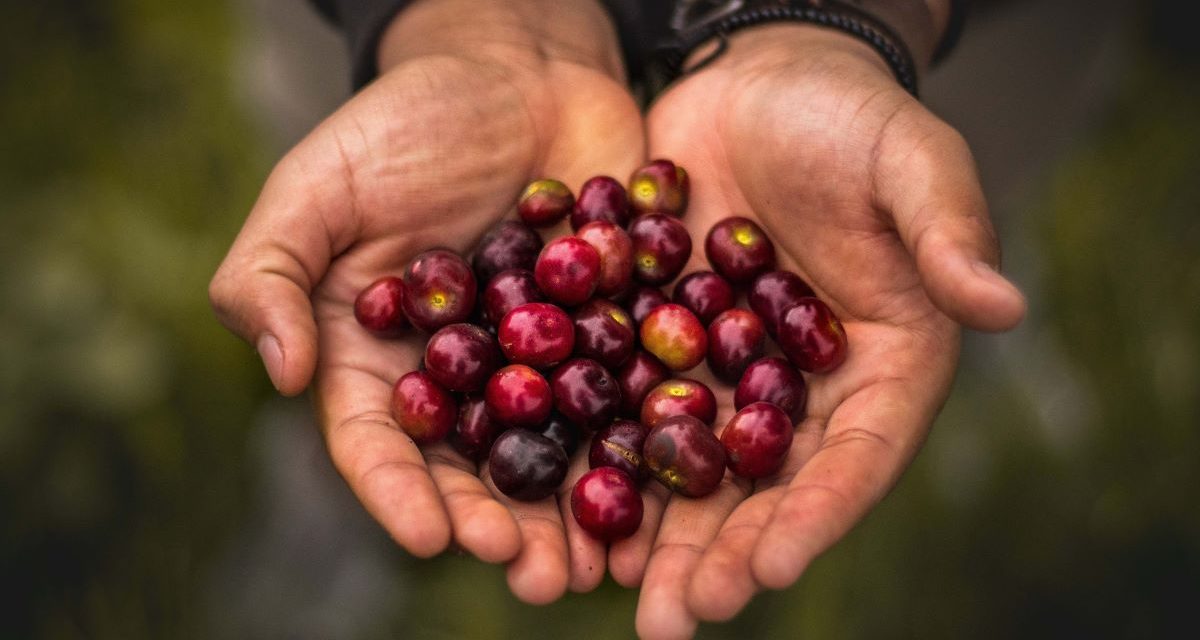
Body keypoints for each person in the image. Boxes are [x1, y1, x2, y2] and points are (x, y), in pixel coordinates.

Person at [208, 1, 1026, 638]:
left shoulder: (614, 323)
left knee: (927, 224)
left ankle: (986, 343)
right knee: (325, 115)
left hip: (958, 36)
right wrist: (476, 22)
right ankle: (327, 518)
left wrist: (846, 19)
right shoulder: (537, 321)